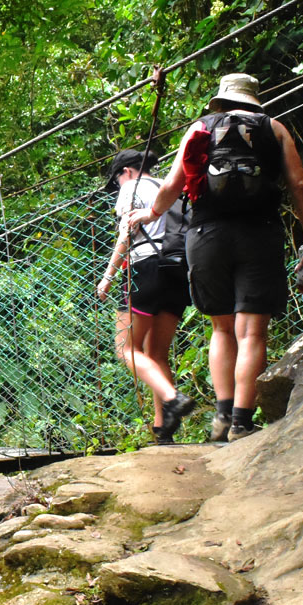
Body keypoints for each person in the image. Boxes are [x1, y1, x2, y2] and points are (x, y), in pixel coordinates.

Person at [126, 73, 303, 441]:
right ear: (254, 99)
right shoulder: (275, 128)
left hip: (205, 235)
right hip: (259, 233)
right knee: (251, 331)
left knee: (221, 327)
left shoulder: (200, 127)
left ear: (221, 99)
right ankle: (240, 422)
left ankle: (221, 417)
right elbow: (299, 186)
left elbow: (173, 185)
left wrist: (151, 214)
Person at [97, 149, 195, 442]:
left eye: (116, 179)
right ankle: (162, 429)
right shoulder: (170, 189)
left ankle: (171, 396)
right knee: (156, 354)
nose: (117, 185)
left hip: (144, 270)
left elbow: (126, 235)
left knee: (126, 348)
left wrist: (107, 278)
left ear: (126, 171)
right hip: (177, 271)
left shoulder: (131, 188)